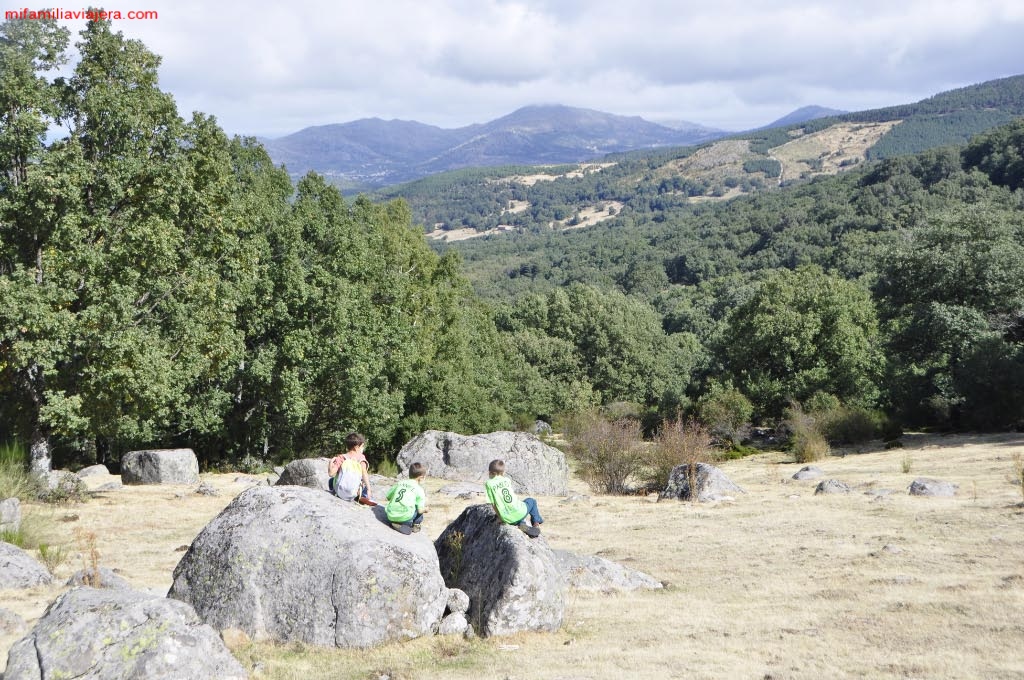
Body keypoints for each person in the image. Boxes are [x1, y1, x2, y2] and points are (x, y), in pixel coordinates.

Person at [485, 459, 543, 538]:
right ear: (503, 472)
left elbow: (493, 504)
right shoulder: (507, 480)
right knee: (531, 501)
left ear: (490, 472)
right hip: (520, 511)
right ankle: (536, 523)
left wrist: (501, 518)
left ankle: (521, 524)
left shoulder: (489, 484)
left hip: (508, 519)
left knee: (516, 514)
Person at [328, 432, 373, 502]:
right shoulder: (361, 458)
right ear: (357, 447)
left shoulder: (342, 457)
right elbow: (364, 473)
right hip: (353, 493)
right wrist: (369, 489)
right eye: (362, 446)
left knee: (331, 480)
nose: (363, 448)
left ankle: (333, 491)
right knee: (364, 485)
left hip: (339, 491)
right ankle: (363, 496)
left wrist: (330, 463)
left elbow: (331, 474)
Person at [385, 462, 428, 535]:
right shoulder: (419, 489)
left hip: (391, 515)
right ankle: (415, 526)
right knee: (420, 508)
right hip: (405, 517)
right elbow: (420, 510)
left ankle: (394, 523)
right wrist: (426, 509)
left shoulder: (400, 483)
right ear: (421, 477)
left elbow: (388, 496)